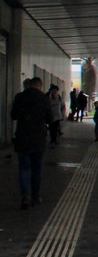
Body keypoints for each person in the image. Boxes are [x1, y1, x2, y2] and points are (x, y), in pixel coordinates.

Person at [11, 77, 52, 209]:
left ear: (29, 85)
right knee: (37, 169)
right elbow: (50, 119)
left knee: (24, 168)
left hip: (22, 138)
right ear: (40, 86)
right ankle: (35, 196)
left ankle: (25, 197)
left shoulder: (19, 97)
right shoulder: (44, 98)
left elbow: (13, 115)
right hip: (38, 139)